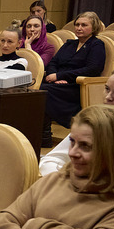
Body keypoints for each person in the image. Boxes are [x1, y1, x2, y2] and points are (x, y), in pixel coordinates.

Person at [40, 65, 114, 175]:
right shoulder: (91, 123)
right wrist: (68, 181)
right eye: (107, 89)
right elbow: (49, 161)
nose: (108, 97)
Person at [40, 11, 106, 146]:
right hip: (58, 83)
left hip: (78, 86)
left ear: (93, 27)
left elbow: (92, 69)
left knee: (42, 91)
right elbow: (53, 62)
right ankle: (38, 132)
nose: (79, 28)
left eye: (84, 25)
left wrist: (60, 76)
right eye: (77, 24)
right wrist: (54, 77)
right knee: (32, 89)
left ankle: (45, 135)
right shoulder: (69, 44)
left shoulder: (97, 45)